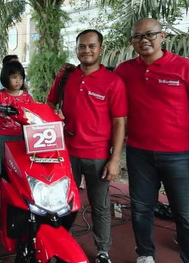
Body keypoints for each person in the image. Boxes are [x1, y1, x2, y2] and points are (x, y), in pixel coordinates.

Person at [114, 18, 189, 263]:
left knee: (188, 217)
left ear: (162, 37)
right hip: (139, 153)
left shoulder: (185, 68)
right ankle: (145, 255)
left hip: (179, 156)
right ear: (131, 42)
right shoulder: (124, 71)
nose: (144, 40)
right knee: (140, 210)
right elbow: (109, 103)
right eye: (137, 37)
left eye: (150, 34)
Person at [46, 29, 127, 263]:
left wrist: (115, 160)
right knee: (61, 204)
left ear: (101, 49)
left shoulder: (114, 82)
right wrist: (54, 115)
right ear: (77, 49)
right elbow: (49, 103)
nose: (86, 50)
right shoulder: (65, 78)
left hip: (98, 156)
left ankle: (103, 251)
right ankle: (60, 247)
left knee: (100, 206)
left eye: (92, 46)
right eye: (82, 46)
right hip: (66, 153)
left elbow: (119, 122)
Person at [0, 61, 34, 209]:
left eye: (20, 77)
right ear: (6, 78)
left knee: (29, 160)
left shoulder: (27, 97)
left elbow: (32, 115)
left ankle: (27, 189)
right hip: (3, 133)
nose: (18, 80)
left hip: (22, 133)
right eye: (14, 77)